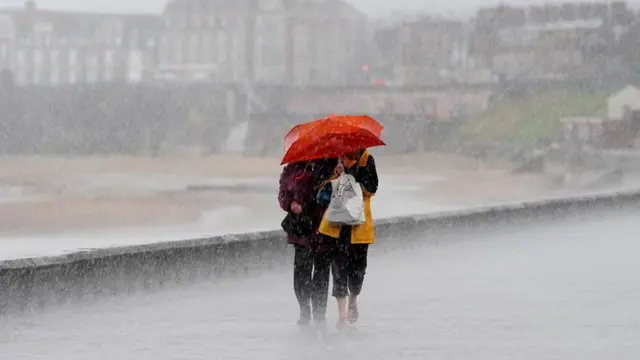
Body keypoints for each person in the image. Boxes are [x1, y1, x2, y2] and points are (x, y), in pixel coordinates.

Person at [318, 149, 378, 328]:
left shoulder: (367, 160)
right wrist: (336, 175)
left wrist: (353, 173)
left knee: (358, 270)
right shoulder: (333, 158)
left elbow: (371, 189)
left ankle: (353, 299)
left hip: (359, 226)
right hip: (338, 226)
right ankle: (342, 315)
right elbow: (323, 190)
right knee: (338, 269)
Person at [278, 158, 337, 327]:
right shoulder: (292, 169)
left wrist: (335, 174)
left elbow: (340, 192)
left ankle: (319, 313)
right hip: (302, 230)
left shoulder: (331, 165)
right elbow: (283, 195)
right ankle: (304, 309)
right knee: (301, 274)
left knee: (322, 273)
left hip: (324, 228)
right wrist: (291, 204)